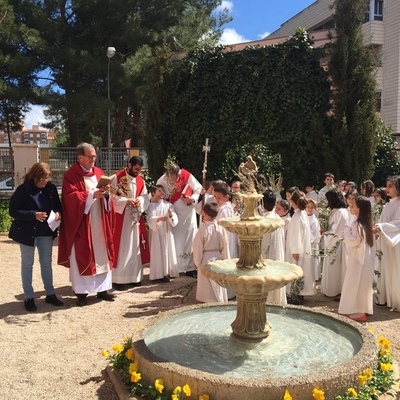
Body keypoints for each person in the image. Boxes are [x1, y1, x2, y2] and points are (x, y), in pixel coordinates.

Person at [58, 143, 115, 306]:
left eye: (94, 156)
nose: (93, 159)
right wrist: (91, 195)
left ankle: (103, 290)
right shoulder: (71, 175)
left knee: (102, 253)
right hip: (82, 223)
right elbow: (70, 198)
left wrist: (105, 195)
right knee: (83, 255)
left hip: (99, 222)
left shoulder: (98, 172)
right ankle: (82, 293)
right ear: (80, 157)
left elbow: (107, 196)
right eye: (90, 156)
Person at [9, 162, 64, 312]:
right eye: (42, 179)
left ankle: (50, 294)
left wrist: (58, 213)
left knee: (46, 264)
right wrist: (33, 215)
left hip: (46, 232)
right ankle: (29, 297)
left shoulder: (51, 189)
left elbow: (58, 206)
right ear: (34, 177)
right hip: (27, 233)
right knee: (27, 264)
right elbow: (13, 211)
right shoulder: (23, 190)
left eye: (47, 178)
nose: (44, 182)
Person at [156, 159, 202, 277]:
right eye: (169, 176)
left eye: (174, 177)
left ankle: (190, 268)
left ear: (178, 174)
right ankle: (174, 268)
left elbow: (198, 189)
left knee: (189, 238)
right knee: (174, 241)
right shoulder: (161, 180)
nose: (171, 179)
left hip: (187, 213)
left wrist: (192, 199)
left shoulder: (186, 176)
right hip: (173, 214)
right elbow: (158, 194)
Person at [111, 156, 149, 290]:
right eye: (136, 169)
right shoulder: (117, 178)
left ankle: (134, 277)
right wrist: (126, 201)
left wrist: (139, 200)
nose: (138, 172)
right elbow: (110, 197)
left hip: (134, 219)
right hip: (121, 219)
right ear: (129, 165)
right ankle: (118, 279)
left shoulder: (141, 181)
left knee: (135, 247)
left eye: (140, 170)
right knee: (122, 247)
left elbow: (146, 197)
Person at [338, 196, 375, 322]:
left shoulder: (357, 224)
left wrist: (346, 230)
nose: (350, 207)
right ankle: (363, 307)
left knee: (355, 283)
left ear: (359, 209)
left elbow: (354, 241)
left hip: (357, 259)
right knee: (363, 284)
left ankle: (356, 311)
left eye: (353, 205)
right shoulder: (366, 224)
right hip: (365, 259)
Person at [373, 176, 400, 310]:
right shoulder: (388, 204)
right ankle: (383, 297)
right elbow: (383, 220)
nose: (387, 188)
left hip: (395, 243)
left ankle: (396, 300)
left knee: (395, 271)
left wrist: (381, 227)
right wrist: (378, 228)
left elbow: (398, 223)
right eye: (387, 185)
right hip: (385, 241)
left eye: (390, 186)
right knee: (384, 269)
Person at [193, 202, 228, 303]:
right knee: (217, 280)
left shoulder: (203, 229)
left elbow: (198, 247)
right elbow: (225, 245)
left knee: (207, 283)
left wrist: (197, 261)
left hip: (206, 257)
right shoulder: (221, 228)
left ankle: (208, 301)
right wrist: (225, 259)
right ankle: (219, 300)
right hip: (218, 257)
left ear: (205, 213)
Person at [285, 190, 316, 303]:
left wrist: (295, 250)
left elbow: (295, 234)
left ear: (293, 202)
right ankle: (298, 292)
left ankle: (295, 294)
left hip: (297, 249)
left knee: (296, 270)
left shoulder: (297, 216)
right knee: (302, 270)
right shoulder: (302, 214)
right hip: (303, 247)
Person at [320, 188, 348, 299]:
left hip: (336, 243)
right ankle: (329, 288)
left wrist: (327, 235)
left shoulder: (341, 212)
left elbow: (338, 230)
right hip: (331, 240)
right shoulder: (334, 211)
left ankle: (335, 290)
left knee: (336, 267)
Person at [260, 188, 287, 305]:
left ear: (261, 203)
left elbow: (265, 244)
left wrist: (260, 256)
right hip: (279, 253)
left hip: (269, 256)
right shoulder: (277, 217)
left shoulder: (266, 220)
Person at [147, 185, 179, 282]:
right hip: (156, 232)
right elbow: (149, 218)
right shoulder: (150, 205)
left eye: (163, 191)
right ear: (153, 193)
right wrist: (158, 219)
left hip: (166, 231)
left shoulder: (168, 205)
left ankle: (165, 273)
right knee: (157, 252)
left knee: (166, 251)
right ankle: (156, 275)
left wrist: (170, 215)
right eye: (159, 191)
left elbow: (174, 218)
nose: (162, 193)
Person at [306, 199, 321, 280]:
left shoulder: (314, 220)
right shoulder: (305, 217)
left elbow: (315, 234)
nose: (309, 209)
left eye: (312, 207)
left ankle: (313, 276)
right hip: (306, 242)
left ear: (314, 209)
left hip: (312, 243)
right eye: (308, 207)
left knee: (312, 260)